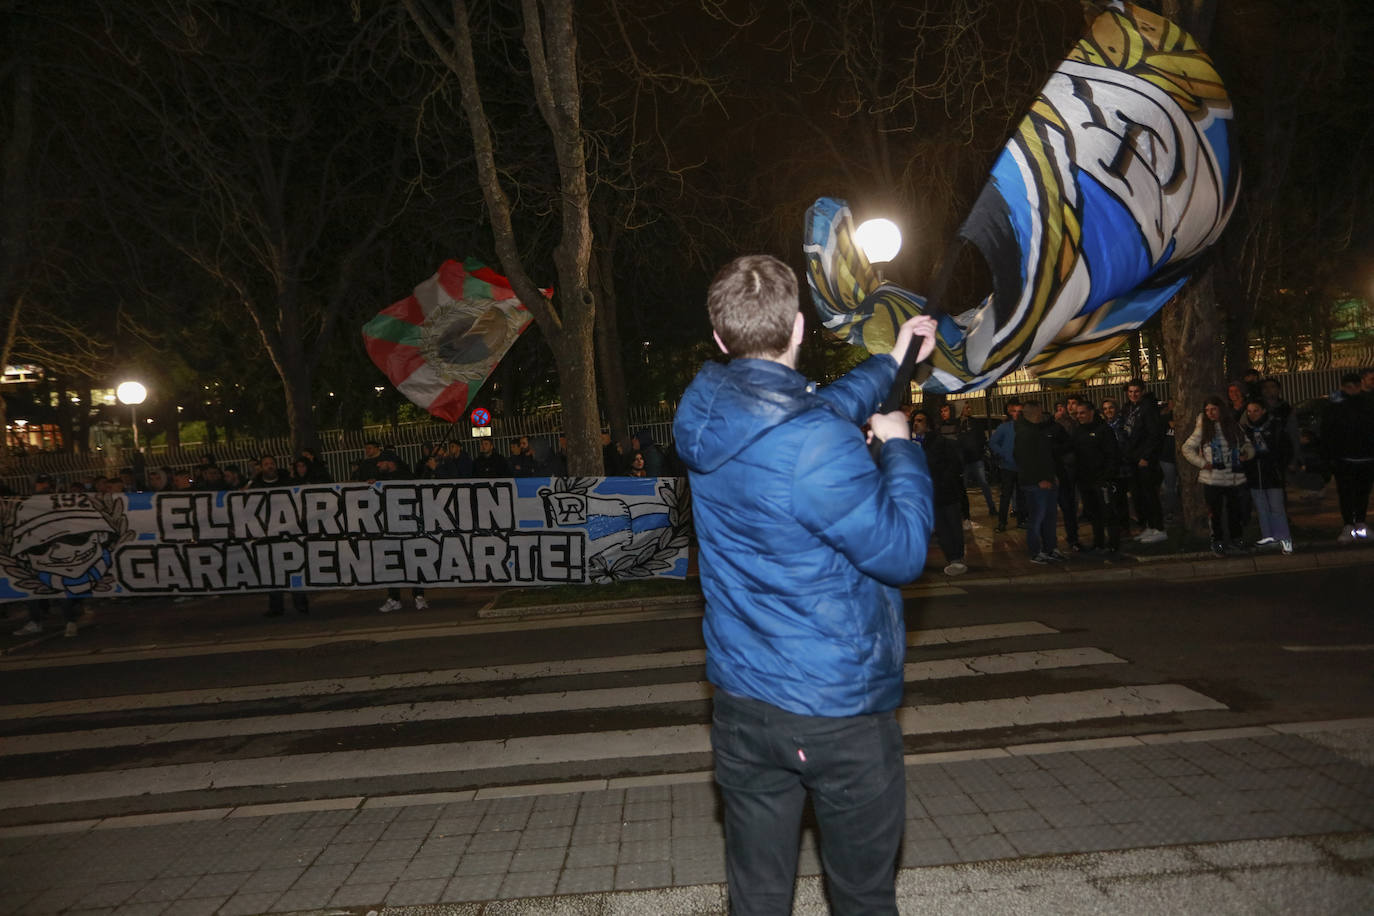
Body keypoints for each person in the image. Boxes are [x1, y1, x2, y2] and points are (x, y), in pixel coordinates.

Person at [672, 254, 936, 915]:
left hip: (743, 705)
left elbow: (810, 409)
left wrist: (894, 359)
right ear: (798, 327)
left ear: (721, 339)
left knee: (757, 897)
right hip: (836, 710)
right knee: (862, 895)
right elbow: (903, 553)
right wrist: (901, 446)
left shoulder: (706, 413)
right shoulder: (817, 441)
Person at [1183, 396, 1255, 556]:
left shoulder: (1233, 426)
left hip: (1233, 476)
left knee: (1235, 510)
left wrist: (1246, 454)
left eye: (1213, 409)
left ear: (1221, 409)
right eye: (1207, 410)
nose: (1210, 413)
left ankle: (1237, 539)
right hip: (1212, 479)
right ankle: (1217, 541)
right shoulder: (1203, 428)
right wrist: (1202, 463)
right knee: (1215, 512)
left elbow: (1247, 444)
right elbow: (1187, 448)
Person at [247, 457, 309, 617]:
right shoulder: (255, 486)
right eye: (266, 464)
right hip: (267, 535)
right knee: (271, 571)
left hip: (288, 534)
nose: (270, 467)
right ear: (261, 467)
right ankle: (276, 606)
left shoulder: (288, 482)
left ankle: (301, 603)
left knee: (294, 568)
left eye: (272, 464)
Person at [1321, 372, 1374, 543]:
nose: (1352, 390)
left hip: (1365, 457)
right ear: (1343, 387)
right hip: (1344, 458)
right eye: (1349, 387)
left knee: (1362, 492)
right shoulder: (1335, 405)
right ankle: (1348, 524)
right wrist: (1329, 457)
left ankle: (1360, 522)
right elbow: (1328, 432)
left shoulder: (1367, 403)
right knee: (1345, 492)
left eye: (1355, 386)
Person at [912, 408, 966, 575]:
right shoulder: (911, 444)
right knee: (941, 528)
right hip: (927, 494)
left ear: (927, 424)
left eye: (920, 420)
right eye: (914, 420)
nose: (916, 423)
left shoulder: (939, 441)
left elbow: (954, 464)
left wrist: (944, 479)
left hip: (945, 491)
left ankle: (957, 558)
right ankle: (952, 557)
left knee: (953, 525)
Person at [1240, 398, 1294, 554]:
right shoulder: (1245, 430)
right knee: (1262, 508)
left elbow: (1285, 448)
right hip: (1254, 475)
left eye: (1255, 410)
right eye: (1249, 411)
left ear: (1263, 410)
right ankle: (1268, 537)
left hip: (1272, 474)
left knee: (1276, 507)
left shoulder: (1275, 427)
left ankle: (1284, 538)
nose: (1252, 414)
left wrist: (1279, 465)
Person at [1014, 401, 1064, 564]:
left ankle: (1050, 548)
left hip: (1044, 482)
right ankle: (1036, 551)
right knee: (1037, 518)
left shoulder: (1033, 431)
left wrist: (1050, 476)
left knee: (1048, 517)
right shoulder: (1026, 433)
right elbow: (1026, 460)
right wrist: (1040, 479)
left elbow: (1043, 457)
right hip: (1036, 484)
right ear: (1035, 413)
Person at [1071, 399, 1123, 554]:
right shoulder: (1078, 431)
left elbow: (1112, 455)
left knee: (1108, 513)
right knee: (1094, 514)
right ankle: (1098, 542)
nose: (1079, 416)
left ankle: (1113, 544)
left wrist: (1107, 476)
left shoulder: (1103, 430)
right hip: (1085, 480)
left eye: (1082, 413)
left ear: (1091, 412)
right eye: (1077, 413)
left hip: (1102, 479)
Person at [1121, 379, 1167, 543]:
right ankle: (1150, 526)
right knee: (1139, 495)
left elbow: (1154, 434)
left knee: (1150, 495)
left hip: (1144, 459)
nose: (1133, 395)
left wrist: (1146, 456)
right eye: (1131, 392)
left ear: (1142, 391)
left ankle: (1159, 528)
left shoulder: (1148, 409)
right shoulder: (1130, 408)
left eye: (1136, 392)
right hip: (1133, 458)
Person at [988, 400, 1023, 532]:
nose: (1017, 414)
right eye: (1014, 411)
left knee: (1021, 495)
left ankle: (1021, 519)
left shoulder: (1025, 427)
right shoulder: (1005, 427)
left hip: (1020, 466)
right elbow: (993, 443)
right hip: (1008, 467)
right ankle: (1002, 522)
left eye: (1019, 412)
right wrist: (1004, 454)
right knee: (1006, 496)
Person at [957, 404, 996, 518]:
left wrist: (979, 450)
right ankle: (964, 511)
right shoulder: (958, 424)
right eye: (966, 408)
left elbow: (982, 438)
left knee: (984, 484)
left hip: (975, 458)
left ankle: (992, 507)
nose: (969, 409)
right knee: (962, 487)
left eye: (969, 407)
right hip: (964, 460)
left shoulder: (975, 422)